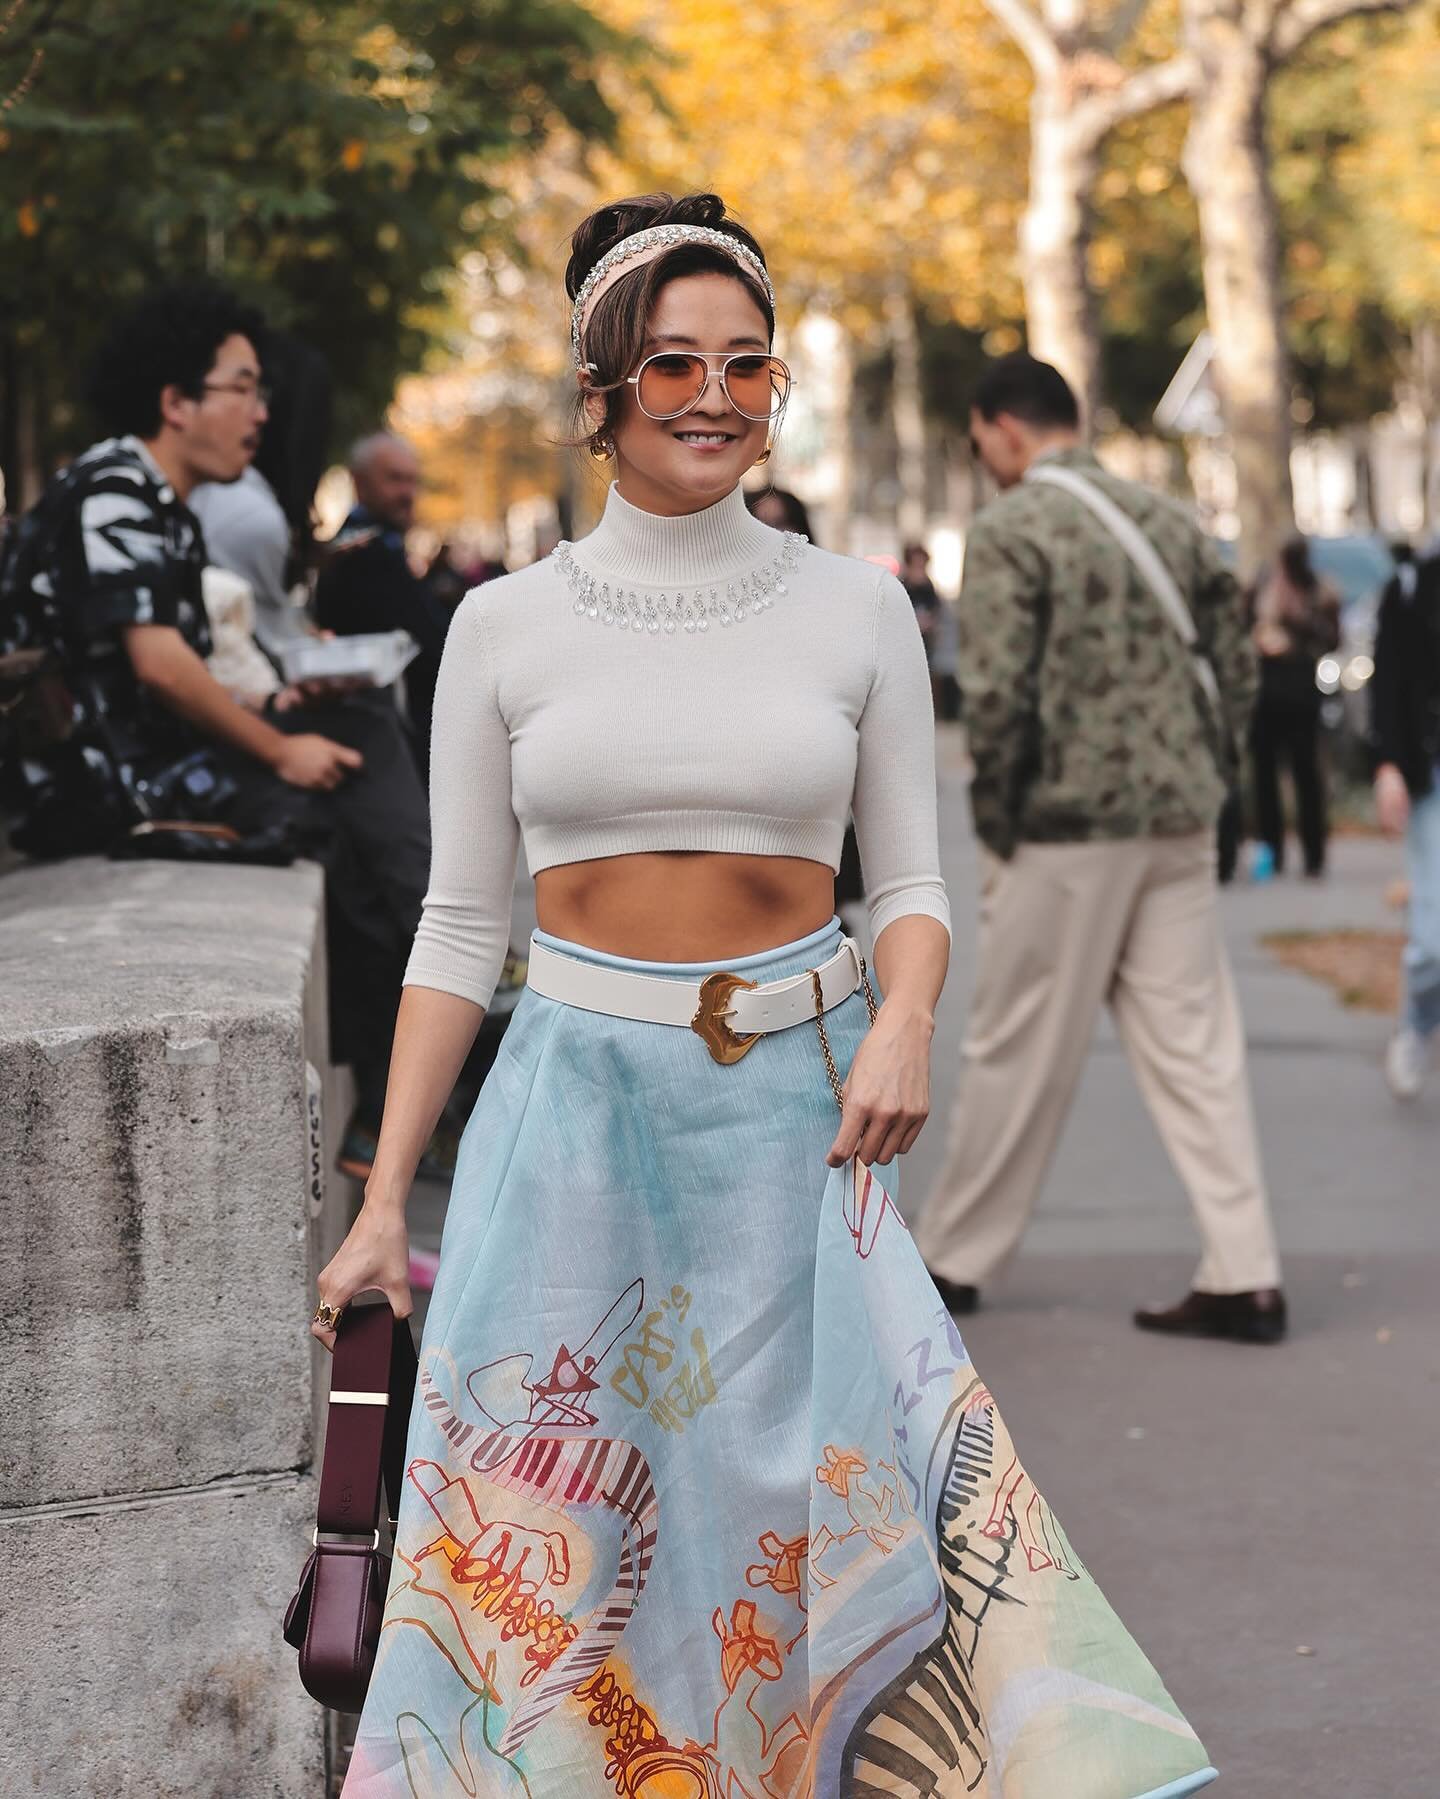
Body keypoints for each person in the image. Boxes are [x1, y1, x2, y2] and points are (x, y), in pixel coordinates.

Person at [319, 196, 1217, 1799]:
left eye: (747, 364)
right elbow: (459, 926)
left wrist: (904, 1017)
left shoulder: (857, 605)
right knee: (568, 1526)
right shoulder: (501, 624)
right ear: (598, 387)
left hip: (798, 1127)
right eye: (672, 362)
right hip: (571, 1116)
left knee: (808, 1501)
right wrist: (386, 1193)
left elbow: (916, 886)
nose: (715, 397)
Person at [0, 283, 431, 1179]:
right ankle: (433, 980)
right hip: (107, 788)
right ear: (176, 401)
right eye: (242, 387)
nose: (261, 412)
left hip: (152, 760)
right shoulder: (114, 490)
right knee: (331, 803)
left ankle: (431, 960)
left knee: (356, 729)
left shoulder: (157, 498)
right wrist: (280, 746)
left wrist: (289, 703)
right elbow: (158, 665)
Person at [917, 351, 1285, 1347]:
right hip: (1178, 815)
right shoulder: (1168, 516)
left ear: (1000, 426)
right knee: (1196, 1047)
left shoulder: (1010, 529)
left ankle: (955, 1255)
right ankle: (1246, 1269)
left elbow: (998, 694)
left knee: (1018, 1044)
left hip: (1065, 825)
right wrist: (1212, 773)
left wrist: (998, 822)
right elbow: (1237, 664)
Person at [315, 432, 451, 771]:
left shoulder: (375, 546)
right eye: (394, 479)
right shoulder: (366, 554)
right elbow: (428, 644)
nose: (407, 493)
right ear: (359, 483)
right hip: (384, 741)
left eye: (411, 481)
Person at [1370, 541, 1440, 1098]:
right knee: (1434, 933)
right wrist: (1389, 763)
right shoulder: (1413, 583)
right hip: (1431, 776)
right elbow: (1387, 677)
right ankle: (1418, 1024)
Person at [1249, 536, 1340, 877]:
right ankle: (1272, 852)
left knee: (1306, 775)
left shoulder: (1318, 591)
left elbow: (1332, 638)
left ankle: (1313, 853)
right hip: (1267, 693)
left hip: (1301, 693)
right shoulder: (1262, 586)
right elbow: (1244, 627)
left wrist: (1294, 620)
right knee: (1266, 779)